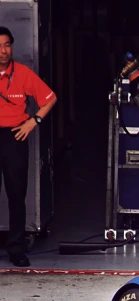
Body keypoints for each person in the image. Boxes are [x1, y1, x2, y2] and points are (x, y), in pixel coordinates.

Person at [0, 26, 56, 268]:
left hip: (15, 136)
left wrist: (34, 121)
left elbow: (50, 98)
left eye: (6, 45)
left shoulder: (22, 73)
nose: (2, 51)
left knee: (16, 194)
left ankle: (16, 248)